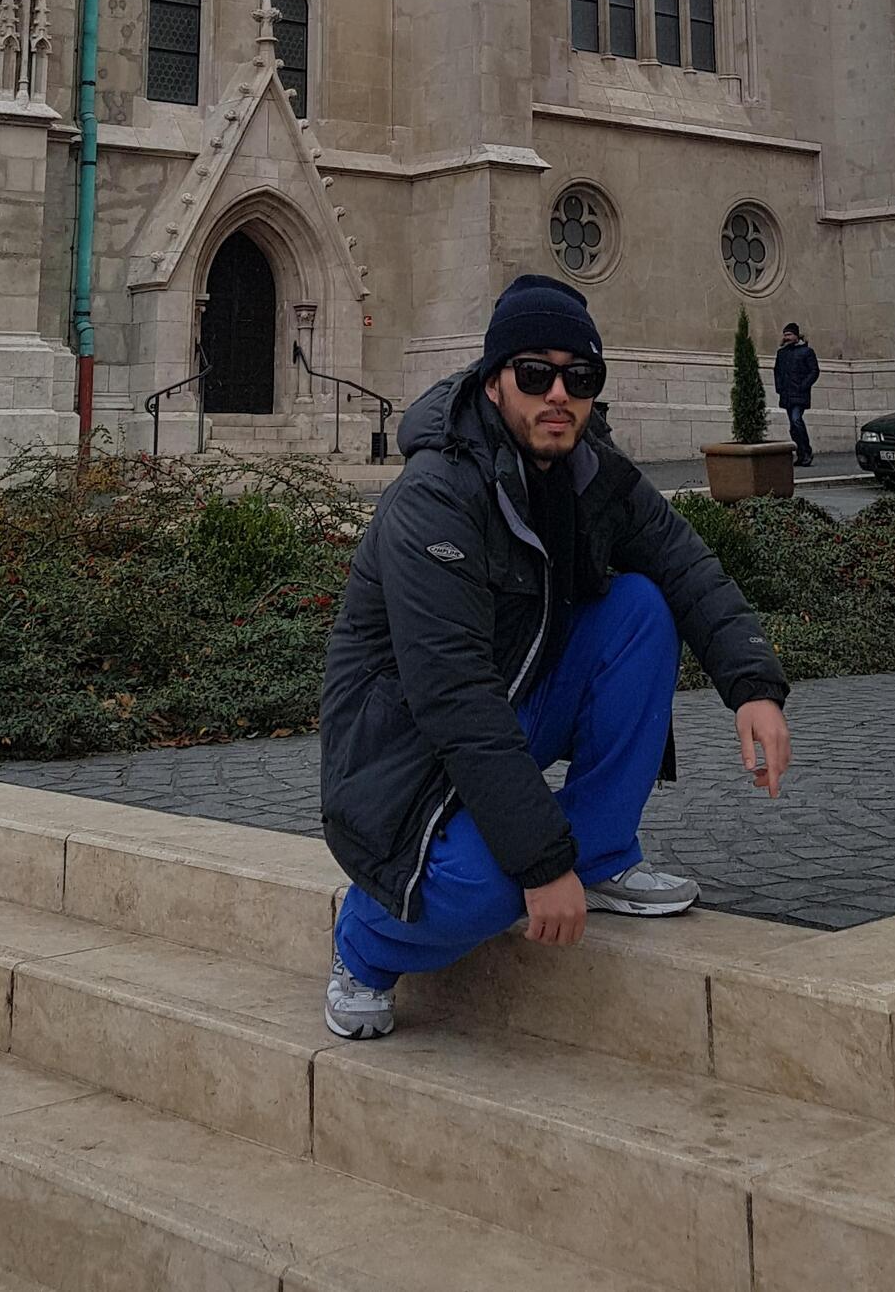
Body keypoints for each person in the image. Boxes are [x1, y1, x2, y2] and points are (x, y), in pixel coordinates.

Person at [319, 271, 792, 1040]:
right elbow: (454, 698)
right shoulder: (436, 494)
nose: (559, 394)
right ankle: (363, 944)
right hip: (407, 757)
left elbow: (682, 561)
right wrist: (540, 864)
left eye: (581, 377)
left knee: (641, 608)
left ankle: (600, 854)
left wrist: (753, 686)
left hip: (516, 702)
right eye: (535, 373)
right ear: (494, 379)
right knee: (485, 889)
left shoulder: (588, 464)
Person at [774, 321, 820, 466]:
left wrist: (803, 386)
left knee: (796, 420)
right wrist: (779, 387)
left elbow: (814, 371)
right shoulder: (782, 353)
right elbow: (777, 371)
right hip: (787, 394)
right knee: (793, 426)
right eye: (785, 335)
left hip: (799, 393)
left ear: (796, 336)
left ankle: (806, 452)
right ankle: (801, 453)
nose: (786, 337)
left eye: (789, 334)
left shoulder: (807, 352)